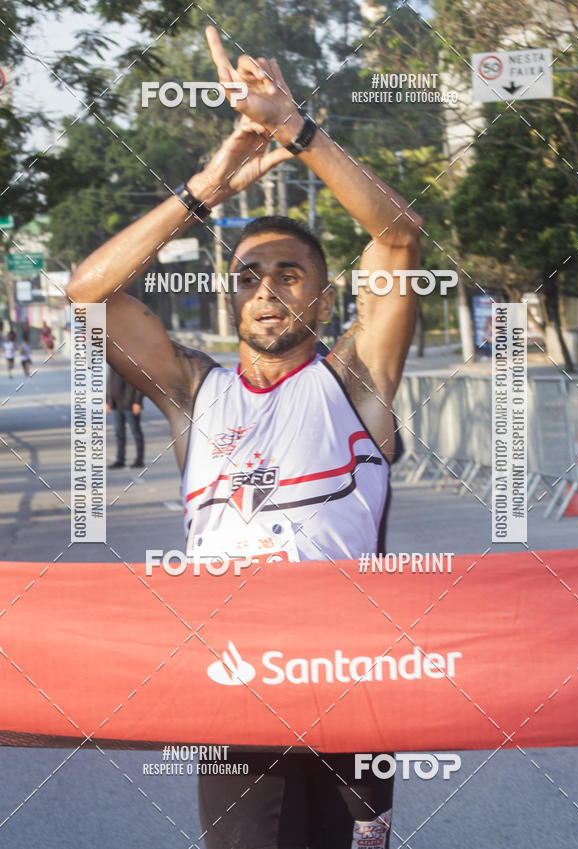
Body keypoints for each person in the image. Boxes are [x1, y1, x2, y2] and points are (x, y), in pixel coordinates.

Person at [67, 26, 421, 849]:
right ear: (233, 301)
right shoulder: (196, 393)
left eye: (289, 273)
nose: (267, 289)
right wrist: (207, 184)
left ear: (324, 302)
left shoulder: (355, 381)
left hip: (352, 685)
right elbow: (88, 296)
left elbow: (397, 239)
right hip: (233, 688)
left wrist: (296, 130)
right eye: (250, 276)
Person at [105, 365, 145, 468]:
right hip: (115, 405)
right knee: (119, 434)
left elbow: (140, 384)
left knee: (136, 433)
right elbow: (109, 383)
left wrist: (137, 402)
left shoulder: (132, 364)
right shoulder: (113, 365)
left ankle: (139, 460)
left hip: (130, 405)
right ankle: (120, 460)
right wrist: (107, 401)